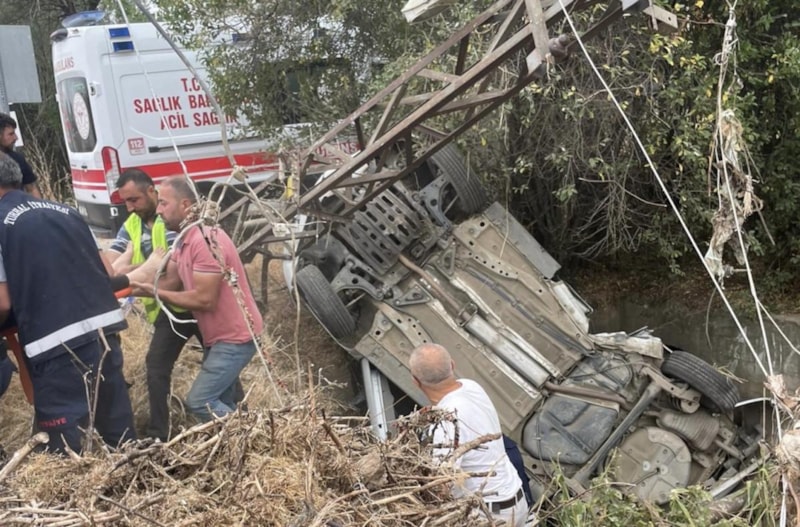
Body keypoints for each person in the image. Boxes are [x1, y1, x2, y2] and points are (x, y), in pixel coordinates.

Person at [0, 152, 135, 454]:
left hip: (54, 345)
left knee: (66, 450)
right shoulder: (66, 211)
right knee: (119, 434)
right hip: (104, 333)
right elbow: (108, 272)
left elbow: (2, 302)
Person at [133, 176, 262, 422]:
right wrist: (129, 288)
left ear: (185, 205)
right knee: (224, 402)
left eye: (164, 203)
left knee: (201, 402)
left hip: (234, 339)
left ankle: (254, 436)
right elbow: (169, 282)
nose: (158, 210)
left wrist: (153, 292)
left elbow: (205, 300)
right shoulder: (184, 240)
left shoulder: (205, 240)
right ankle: (241, 437)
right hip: (220, 338)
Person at [106, 168, 201, 441]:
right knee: (156, 367)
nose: (129, 207)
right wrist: (147, 266)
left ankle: (239, 415)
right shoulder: (131, 224)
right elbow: (110, 270)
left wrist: (132, 271)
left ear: (151, 191)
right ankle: (160, 435)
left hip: (196, 304)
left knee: (219, 360)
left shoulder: (170, 219)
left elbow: (173, 276)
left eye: (134, 200)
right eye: (125, 201)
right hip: (168, 310)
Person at [409, 343, 528, 527]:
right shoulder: (472, 387)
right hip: (517, 502)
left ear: (416, 381)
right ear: (452, 365)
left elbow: (442, 486)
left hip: (488, 515)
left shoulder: (446, 424)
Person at [0, 113, 40, 197]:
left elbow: (32, 189)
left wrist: (38, 204)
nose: (16, 138)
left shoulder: (18, 159)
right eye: (11, 134)